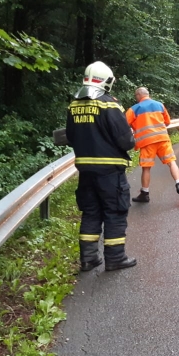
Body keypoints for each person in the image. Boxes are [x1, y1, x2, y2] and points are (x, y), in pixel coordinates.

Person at [65, 61, 137, 272]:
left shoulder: (74, 105)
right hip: (110, 171)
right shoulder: (110, 105)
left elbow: (70, 137)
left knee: (91, 212)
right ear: (106, 81)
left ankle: (88, 259)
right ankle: (115, 258)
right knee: (115, 212)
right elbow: (126, 141)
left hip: (85, 171)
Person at [126, 87, 179, 203]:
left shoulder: (134, 109)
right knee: (171, 163)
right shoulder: (160, 105)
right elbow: (167, 122)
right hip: (162, 139)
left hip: (147, 142)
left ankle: (145, 193)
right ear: (148, 94)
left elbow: (124, 124)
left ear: (138, 96)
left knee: (146, 168)